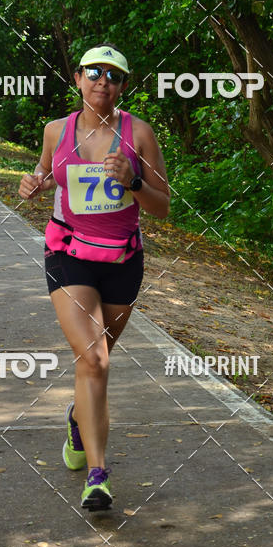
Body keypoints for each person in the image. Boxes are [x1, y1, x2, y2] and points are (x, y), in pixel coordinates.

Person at [18, 44, 170, 511]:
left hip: (123, 260)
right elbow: (43, 175)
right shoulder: (55, 130)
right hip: (69, 254)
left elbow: (163, 207)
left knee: (92, 365)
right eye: (94, 73)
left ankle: (76, 420)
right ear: (79, 79)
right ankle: (98, 477)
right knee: (97, 362)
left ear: (123, 85)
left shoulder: (139, 134)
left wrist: (134, 182)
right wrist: (33, 184)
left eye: (114, 75)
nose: (103, 81)